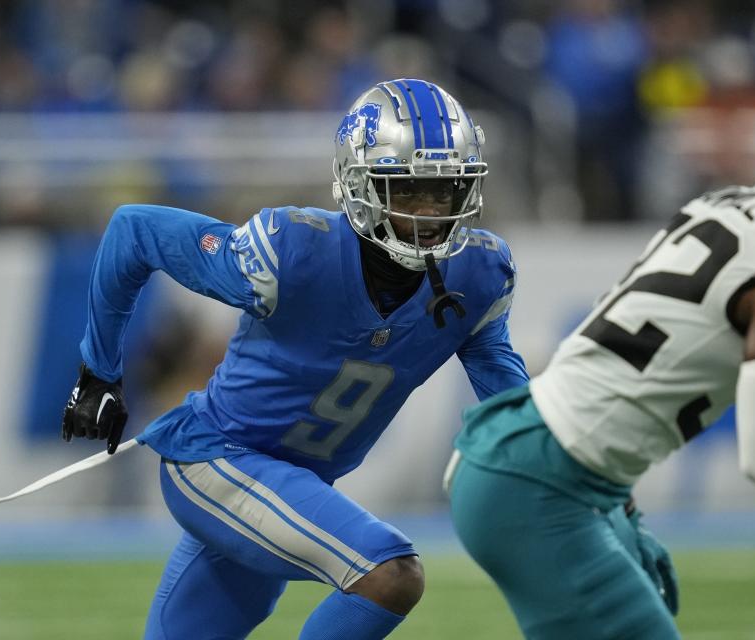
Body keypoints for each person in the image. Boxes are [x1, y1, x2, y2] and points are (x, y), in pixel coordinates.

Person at [446, 62, 755, 639]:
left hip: (527, 458)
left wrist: (617, 506)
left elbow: (599, 374)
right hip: (540, 483)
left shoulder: (725, 206)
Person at [60, 78, 528, 640]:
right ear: (360, 185)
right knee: (388, 573)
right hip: (215, 461)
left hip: (287, 484)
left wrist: (579, 486)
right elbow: (133, 231)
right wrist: (98, 373)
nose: (428, 213)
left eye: (444, 192)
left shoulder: (478, 275)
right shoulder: (291, 251)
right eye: (407, 193)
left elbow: (514, 410)